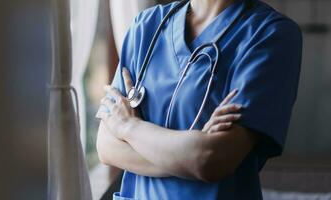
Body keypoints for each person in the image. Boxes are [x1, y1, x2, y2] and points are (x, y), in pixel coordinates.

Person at [96, 0, 302, 199]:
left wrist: (128, 127)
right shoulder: (146, 26)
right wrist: (190, 156)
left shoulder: (271, 35)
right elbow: (106, 147)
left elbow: (211, 159)